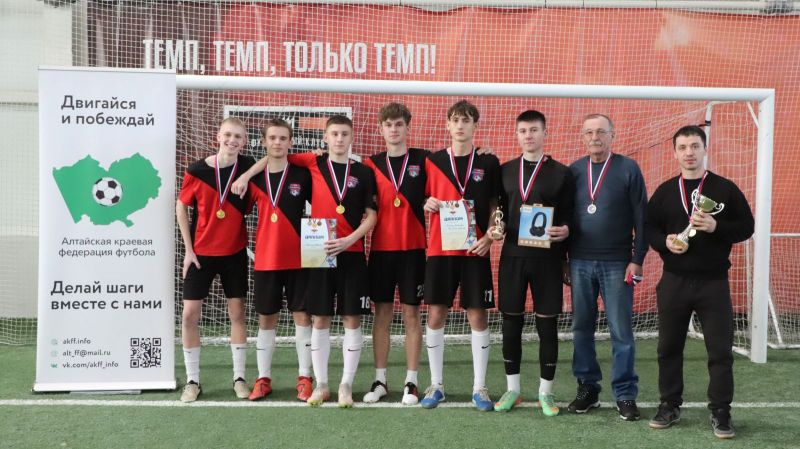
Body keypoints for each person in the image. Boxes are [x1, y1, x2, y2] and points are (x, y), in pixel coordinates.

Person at [645, 125, 753, 439]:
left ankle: (721, 411)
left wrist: (717, 226)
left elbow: (747, 226)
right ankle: (669, 405)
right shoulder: (665, 191)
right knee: (668, 348)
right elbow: (649, 228)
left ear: (705, 149)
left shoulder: (724, 188)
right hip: (674, 282)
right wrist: (664, 242)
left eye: (694, 146)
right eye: (682, 147)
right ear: (675, 153)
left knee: (720, 351)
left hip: (713, 283)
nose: (689, 152)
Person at [492, 110, 574, 415]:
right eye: (523, 130)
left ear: (545, 133)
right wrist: (497, 226)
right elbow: (498, 210)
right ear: (517, 134)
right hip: (513, 257)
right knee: (510, 323)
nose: (529, 135)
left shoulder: (562, 173)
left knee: (547, 325)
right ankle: (513, 389)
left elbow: (570, 215)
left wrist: (566, 230)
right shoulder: (504, 170)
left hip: (548, 259)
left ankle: (545, 393)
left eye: (534, 130)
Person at [421, 100, 500, 411]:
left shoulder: (488, 162)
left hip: (474, 249)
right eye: (455, 120)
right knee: (436, 314)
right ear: (447, 125)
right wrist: (427, 202)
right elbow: (421, 197)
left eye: (466, 120)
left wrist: (490, 237)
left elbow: (496, 206)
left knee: (477, 315)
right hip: (440, 250)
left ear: (475, 126)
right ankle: (436, 384)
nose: (460, 125)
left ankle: (480, 387)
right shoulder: (433, 161)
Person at [567, 113, 647, 420]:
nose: (595, 137)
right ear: (582, 137)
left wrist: (637, 259)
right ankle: (588, 387)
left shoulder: (628, 168)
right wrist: (564, 259)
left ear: (613, 135)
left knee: (621, 330)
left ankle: (625, 393)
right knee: (581, 327)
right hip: (579, 261)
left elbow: (641, 217)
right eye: (589, 132)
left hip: (618, 262)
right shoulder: (574, 171)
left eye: (601, 131)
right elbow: (564, 217)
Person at [176, 117, 255, 402]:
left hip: (234, 253)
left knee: (237, 314)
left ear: (244, 142)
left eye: (238, 137)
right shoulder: (197, 170)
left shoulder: (247, 166)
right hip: (201, 255)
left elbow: (271, 160)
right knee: (189, 315)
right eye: (228, 135)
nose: (232, 140)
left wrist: (246, 176)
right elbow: (181, 207)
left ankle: (239, 378)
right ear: (218, 136)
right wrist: (188, 249)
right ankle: (193, 381)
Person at [245, 118, 315, 402]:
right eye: (272, 138)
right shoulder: (253, 178)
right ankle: (263, 379)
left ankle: (304, 377)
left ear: (290, 142)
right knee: (266, 320)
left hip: (300, 258)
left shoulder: (302, 175)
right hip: (266, 259)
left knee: (303, 317)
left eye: (283, 138)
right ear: (263, 142)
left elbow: (322, 204)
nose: (277, 142)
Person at [361, 103, 426, 405]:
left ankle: (411, 382)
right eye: (388, 125)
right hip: (381, 251)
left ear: (407, 127)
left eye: (399, 124)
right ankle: (380, 380)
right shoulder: (370, 165)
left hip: (414, 250)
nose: (394, 129)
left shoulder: (424, 160)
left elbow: (456, 166)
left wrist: (482, 152)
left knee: (412, 314)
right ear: (380, 129)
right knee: (382, 314)